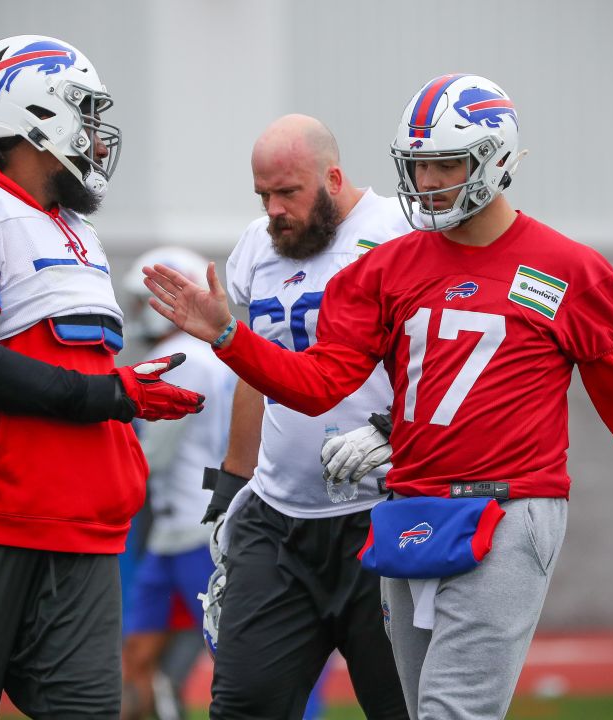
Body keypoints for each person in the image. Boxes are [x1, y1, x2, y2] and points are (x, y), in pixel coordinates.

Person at [143, 75, 613, 720]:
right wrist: (228, 336)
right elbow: (320, 385)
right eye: (419, 167)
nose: (430, 182)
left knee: (451, 711)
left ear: (495, 159)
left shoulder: (567, 269)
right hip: (409, 507)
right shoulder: (385, 268)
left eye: (447, 164)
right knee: (417, 711)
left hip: (508, 508)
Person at [0, 35, 204, 719]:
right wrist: (114, 393)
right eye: (83, 111)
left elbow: (62, 365)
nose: (95, 133)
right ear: (34, 111)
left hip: (79, 531)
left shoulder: (73, 227)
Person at [197, 114, 412, 719]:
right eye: (263, 195)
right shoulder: (256, 249)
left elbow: (439, 356)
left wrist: (397, 429)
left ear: (334, 178)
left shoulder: (402, 229)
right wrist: (230, 489)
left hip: (382, 513)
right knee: (242, 707)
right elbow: (253, 373)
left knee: (403, 707)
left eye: (287, 192)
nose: (274, 210)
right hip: (279, 518)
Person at [118, 248, 238, 720]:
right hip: (178, 528)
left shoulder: (177, 357)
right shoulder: (207, 355)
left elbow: (150, 453)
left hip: (194, 527)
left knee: (230, 654)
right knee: (137, 657)